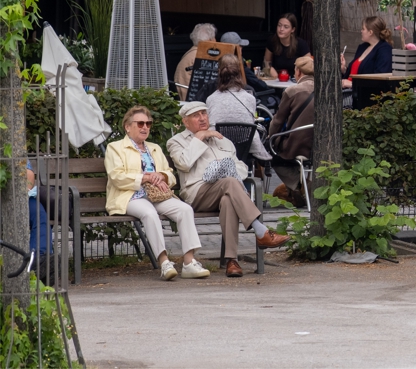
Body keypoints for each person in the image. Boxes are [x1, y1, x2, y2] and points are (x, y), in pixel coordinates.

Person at [167, 101, 289, 278]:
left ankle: (231, 261)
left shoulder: (222, 140)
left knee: (228, 199)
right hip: (197, 194)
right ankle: (260, 230)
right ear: (186, 122)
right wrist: (199, 138)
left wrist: (223, 169)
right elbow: (184, 163)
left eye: (204, 113)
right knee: (230, 183)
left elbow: (240, 168)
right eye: (196, 115)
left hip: (226, 191)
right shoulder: (176, 142)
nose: (202, 118)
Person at [105, 106, 210, 281]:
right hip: (130, 196)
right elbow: (117, 177)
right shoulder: (115, 148)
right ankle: (164, 263)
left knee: (185, 210)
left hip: (157, 195)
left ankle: (189, 262)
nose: (145, 127)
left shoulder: (154, 148)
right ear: (127, 126)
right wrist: (145, 177)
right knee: (149, 213)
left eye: (148, 123)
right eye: (140, 123)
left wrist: (160, 176)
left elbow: (170, 174)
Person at [205, 54, 269, 164]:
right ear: (239, 71)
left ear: (219, 72)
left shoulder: (211, 99)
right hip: (244, 152)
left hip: (217, 153)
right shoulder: (250, 98)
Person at [269, 56, 315, 207]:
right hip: (317, 146)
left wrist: (271, 138)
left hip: (295, 146)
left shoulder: (292, 91)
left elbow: (278, 121)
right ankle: (306, 189)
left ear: (299, 72)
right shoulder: (327, 89)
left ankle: (298, 187)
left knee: (272, 156)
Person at [341, 16, 394, 89]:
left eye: (363, 29)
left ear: (370, 32)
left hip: (364, 95)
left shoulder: (385, 50)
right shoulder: (362, 47)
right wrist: (344, 70)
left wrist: (352, 85)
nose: (361, 31)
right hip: (348, 92)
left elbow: (380, 79)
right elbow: (354, 74)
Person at [174, 23, 216, 96]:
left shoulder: (190, 53)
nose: (216, 41)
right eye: (214, 38)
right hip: (194, 101)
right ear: (209, 40)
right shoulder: (200, 56)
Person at [264, 13, 310, 77]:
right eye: (279, 25)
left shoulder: (301, 44)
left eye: (286, 27)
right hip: (277, 80)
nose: (281, 29)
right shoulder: (272, 41)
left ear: (293, 29)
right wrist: (270, 69)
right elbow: (267, 61)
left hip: (295, 80)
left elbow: (309, 66)